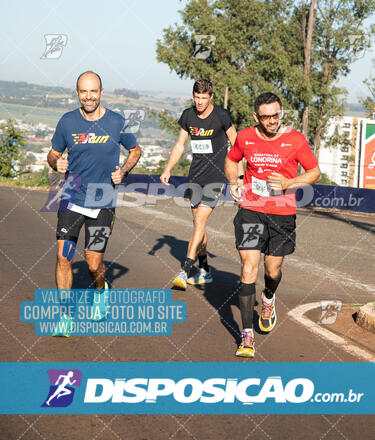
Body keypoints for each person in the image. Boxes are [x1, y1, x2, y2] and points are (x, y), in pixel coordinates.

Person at [225, 92, 321, 357]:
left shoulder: (295, 140)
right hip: (251, 209)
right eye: (266, 116)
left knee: (272, 268)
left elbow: (314, 172)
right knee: (248, 269)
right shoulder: (245, 137)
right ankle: (246, 337)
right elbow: (232, 159)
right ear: (257, 117)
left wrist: (290, 183)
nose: (272, 121)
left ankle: (268, 298)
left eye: (276, 114)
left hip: (281, 212)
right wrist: (233, 182)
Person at [47, 71, 141, 335]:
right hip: (72, 197)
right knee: (62, 256)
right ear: (77, 93)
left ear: (101, 92)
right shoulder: (67, 122)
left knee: (92, 263)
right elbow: (52, 154)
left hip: (103, 201)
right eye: (83, 91)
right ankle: (65, 316)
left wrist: (124, 170)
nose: (88, 96)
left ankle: (101, 289)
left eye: (93, 91)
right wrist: (57, 162)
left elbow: (135, 150)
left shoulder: (116, 122)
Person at [160, 79, 241, 289]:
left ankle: (185, 270)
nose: (200, 102)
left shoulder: (222, 116)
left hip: (216, 176)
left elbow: (238, 145)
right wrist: (168, 168)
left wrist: (238, 177)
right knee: (199, 224)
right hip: (195, 176)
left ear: (211, 97)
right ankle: (205, 270)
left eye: (204, 98)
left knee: (199, 223)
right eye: (197, 97)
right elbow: (180, 145)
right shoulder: (188, 116)